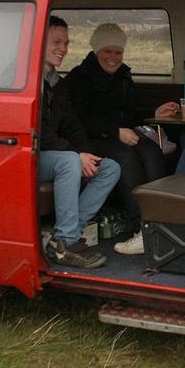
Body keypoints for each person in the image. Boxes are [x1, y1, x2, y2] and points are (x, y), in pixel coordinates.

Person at [65, 23, 178, 255]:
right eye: (107, 51)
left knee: (151, 151)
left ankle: (161, 221)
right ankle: (142, 229)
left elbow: (129, 113)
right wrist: (115, 132)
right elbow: (77, 121)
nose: (113, 58)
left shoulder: (123, 76)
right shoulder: (79, 78)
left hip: (120, 134)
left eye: (118, 52)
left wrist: (152, 115)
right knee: (126, 157)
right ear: (96, 51)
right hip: (88, 139)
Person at [39, 16, 121, 268]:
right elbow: (38, 132)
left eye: (66, 43)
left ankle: (70, 234)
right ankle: (64, 243)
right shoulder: (28, 81)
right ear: (38, 42)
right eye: (56, 42)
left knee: (109, 168)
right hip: (29, 155)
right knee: (68, 161)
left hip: (54, 154)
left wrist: (86, 153)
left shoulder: (57, 83)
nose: (62, 49)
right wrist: (75, 155)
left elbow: (72, 124)